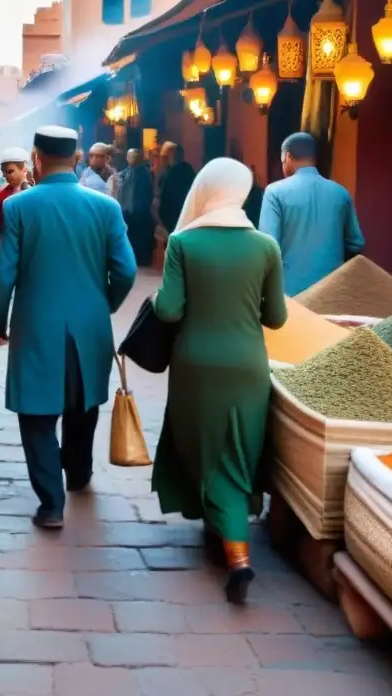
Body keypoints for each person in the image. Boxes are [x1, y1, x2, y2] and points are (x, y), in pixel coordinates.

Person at [151, 157, 287, 604]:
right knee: (237, 450)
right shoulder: (266, 246)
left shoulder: (183, 243)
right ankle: (223, 531)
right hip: (249, 366)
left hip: (196, 365)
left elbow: (169, 310)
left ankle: (238, 558)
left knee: (207, 448)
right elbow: (276, 317)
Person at [0, 126, 137, 530]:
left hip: (36, 322)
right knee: (83, 400)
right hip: (91, 323)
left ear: (35, 157)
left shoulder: (19, 207)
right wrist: (104, 303)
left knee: (36, 413)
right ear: (76, 158)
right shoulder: (105, 206)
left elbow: (5, 275)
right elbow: (126, 269)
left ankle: (51, 504)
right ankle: (79, 472)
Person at [258, 132, 366, 295]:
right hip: (332, 291)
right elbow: (356, 243)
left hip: (289, 294)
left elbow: (268, 247)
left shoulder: (275, 192)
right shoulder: (340, 192)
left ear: (287, 157)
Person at [0, 147, 30, 280]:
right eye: (4, 173)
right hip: (8, 260)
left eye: (10, 171)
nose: (7, 176)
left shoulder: (40, 194)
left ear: (24, 168)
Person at [118, 149, 155, 266]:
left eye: (135, 156)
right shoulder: (124, 173)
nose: (132, 158)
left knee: (139, 237)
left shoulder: (145, 173)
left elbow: (148, 192)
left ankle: (140, 260)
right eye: (130, 156)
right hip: (126, 210)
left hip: (140, 210)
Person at [156, 142, 196, 233]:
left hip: (172, 217)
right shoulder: (190, 171)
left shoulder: (169, 175)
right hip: (187, 216)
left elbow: (163, 198)